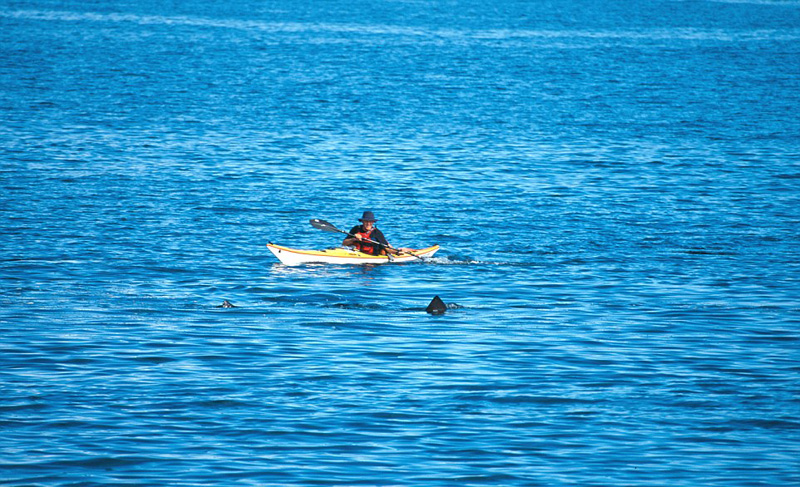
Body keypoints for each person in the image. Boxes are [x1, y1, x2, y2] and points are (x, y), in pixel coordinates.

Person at [342, 211, 408, 256]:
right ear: (362, 221)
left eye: (370, 222)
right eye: (366, 221)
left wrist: (396, 252)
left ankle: (402, 250)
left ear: (373, 222)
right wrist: (353, 239)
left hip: (371, 256)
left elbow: (386, 247)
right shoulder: (356, 229)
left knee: (385, 250)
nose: (368, 224)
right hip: (356, 253)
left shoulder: (377, 233)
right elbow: (344, 243)